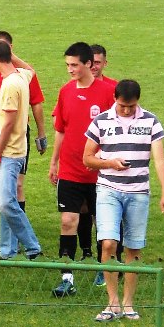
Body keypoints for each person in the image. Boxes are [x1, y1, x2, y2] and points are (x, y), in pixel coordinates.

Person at [83, 80, 164, 321]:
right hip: (108, 189)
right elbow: (87, 157)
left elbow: (160, 160)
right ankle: (112, 302)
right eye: (123, 105)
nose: (126, 110)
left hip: (138, 192)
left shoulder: (150, 121)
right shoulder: (101, 121)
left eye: (131, 106)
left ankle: (128, 303)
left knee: (134, 247)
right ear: (115, 98)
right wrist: (110, 163)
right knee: (108, 244)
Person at [48, 42, 116, 296]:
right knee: (68, 221)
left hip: (100, 171)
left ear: (89, 64)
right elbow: (61, 130)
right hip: (70, 170)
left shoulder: (109, 92)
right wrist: (54, 161)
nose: (70, 70)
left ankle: (103, 267)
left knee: (103, 222)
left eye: (74, 65)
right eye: (67, 65)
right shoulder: (66, 92)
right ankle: (67, 275)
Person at [0, 40, 42, 261]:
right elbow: (31, 69)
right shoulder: (21, 76)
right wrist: (11, 54)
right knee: (7, 201)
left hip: (9, 153)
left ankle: (32, 246)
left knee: (6, 202)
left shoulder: (10, 84)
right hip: (20, 150)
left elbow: (8, 122)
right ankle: (7, 251)